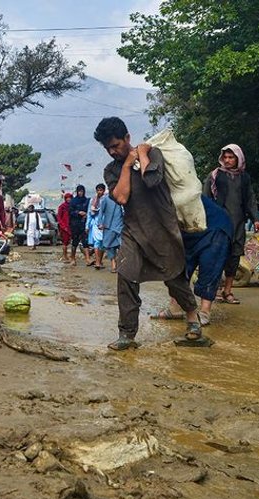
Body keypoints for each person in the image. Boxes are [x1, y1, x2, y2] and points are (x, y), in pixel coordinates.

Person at [94, 116, 201, 350]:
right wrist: (126, 164)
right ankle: (127, 335)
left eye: (116, 145)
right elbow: (121, 197)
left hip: (162, 228)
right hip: (133, 232)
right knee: (126, 277)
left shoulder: (154, 155)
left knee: (174, 277)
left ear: (127, 138)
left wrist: (141, 154)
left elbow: (152, 180)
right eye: (108, 148)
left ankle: (193, 320)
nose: (112, 151)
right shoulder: (112, 170)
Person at [151, 195, 232, 327]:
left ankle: (205, 312)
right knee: (179, 268)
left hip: (214, 226)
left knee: (209, 267)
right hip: (189, 230)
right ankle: (175, 308)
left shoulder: (170, 193)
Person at [203, 144, 259, 304]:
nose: (227, 160)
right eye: (225, 157)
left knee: (234, 258)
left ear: (238, 158)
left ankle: (228, 291)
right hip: (218, 225)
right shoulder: (214, 176)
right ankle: (212, 291)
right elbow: (205, 199)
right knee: (216, 257)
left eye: (231, 157)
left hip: (238, 224)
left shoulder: (244, 178)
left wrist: (256, 218)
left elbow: (250, 199)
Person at [98, 183, 123, 273]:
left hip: (120, 226)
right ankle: (113, 264)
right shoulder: (105, 199)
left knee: (122, 245)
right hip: (108, 226)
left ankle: (121, 264)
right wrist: (100, 223)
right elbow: (101, 212)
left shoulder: (121, 198)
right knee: (110, 246)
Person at [68, 185, 89, 266]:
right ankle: (73, 258)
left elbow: (90, 211)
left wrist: (86, 214)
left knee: (85, 242)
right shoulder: (73, 201)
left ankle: (87, 259)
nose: (81, 193)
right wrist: (78, 212)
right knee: (75, 241)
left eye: (82, 191)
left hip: (83, 224)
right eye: (79, 191)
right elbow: (70, 212)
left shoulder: (86, 201)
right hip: (75, 224)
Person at [88, 184, 106, 269]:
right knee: (96, 242)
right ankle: (97, 262)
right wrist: (87, 226)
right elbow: (90, 213)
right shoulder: (92, 200)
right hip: (95, 223)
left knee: (102, 243)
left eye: (101, 190)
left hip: (104, 223)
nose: (99, 192)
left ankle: (100, 260)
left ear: (104, 190)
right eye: (98, 190)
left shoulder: (106, 200)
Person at [57, 192, 72, 261]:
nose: (69, 199)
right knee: (65, 242)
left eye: (70, 198)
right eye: (67, 198)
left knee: (70, 242)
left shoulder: (72, 206)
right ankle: (65, 256)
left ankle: (71, 255)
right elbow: (59, 218)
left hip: (71, 226)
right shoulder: (62, 207)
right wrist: (63, 226)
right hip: (64, 227)